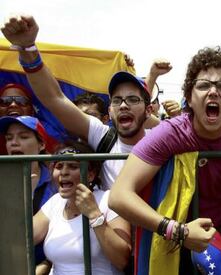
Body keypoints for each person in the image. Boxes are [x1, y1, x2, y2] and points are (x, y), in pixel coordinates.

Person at [109, 47, 221, 274]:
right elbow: (118, 196)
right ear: (189, 97)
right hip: (170, 229)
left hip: (219, 227)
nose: (214, 92)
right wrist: (179, 232)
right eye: (204, 85)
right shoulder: (169, 133)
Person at [1, 14, 153, 189]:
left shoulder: (163, 139)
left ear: (148, 111)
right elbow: (54, 98)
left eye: (133, 99)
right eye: (117, 100)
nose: (124, 105)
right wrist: (27, 49)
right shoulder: (102, 137)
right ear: (110, 111)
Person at [33, 142, 131, 275]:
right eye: (59, 166)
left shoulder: (108, 200)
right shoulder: (55, 202)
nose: (64, 172)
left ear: (90, 175)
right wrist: (25, 197)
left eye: (73, 166)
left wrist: (94, 214)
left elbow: (122, 260)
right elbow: (22, 238)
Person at [0, 115, 56, 273]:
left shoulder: (58, 184)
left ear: (42, 144)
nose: (14, 143)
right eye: (9, 138)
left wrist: (45, 266)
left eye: (23, 137)